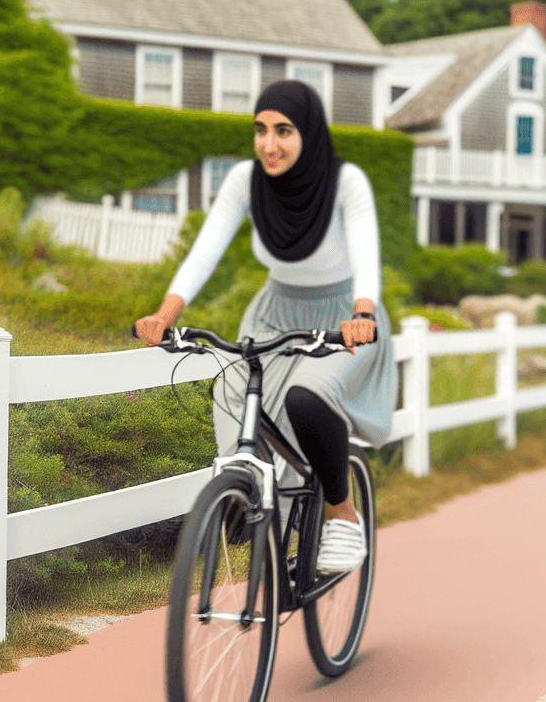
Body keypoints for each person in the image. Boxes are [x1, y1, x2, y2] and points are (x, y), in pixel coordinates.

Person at [134, 80, 394, 573]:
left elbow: (367, 254)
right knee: (233, 388)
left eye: (284, 131)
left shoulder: (346, 182)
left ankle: (343, 517)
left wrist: (362, 313)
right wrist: (165, 316)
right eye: (260, 130)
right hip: (274, 311)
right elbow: (205, 251)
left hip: (344, 317)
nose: (269, 144)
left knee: (307, 398)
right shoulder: (243, 181)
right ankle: (249, 498)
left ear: (309, 133)